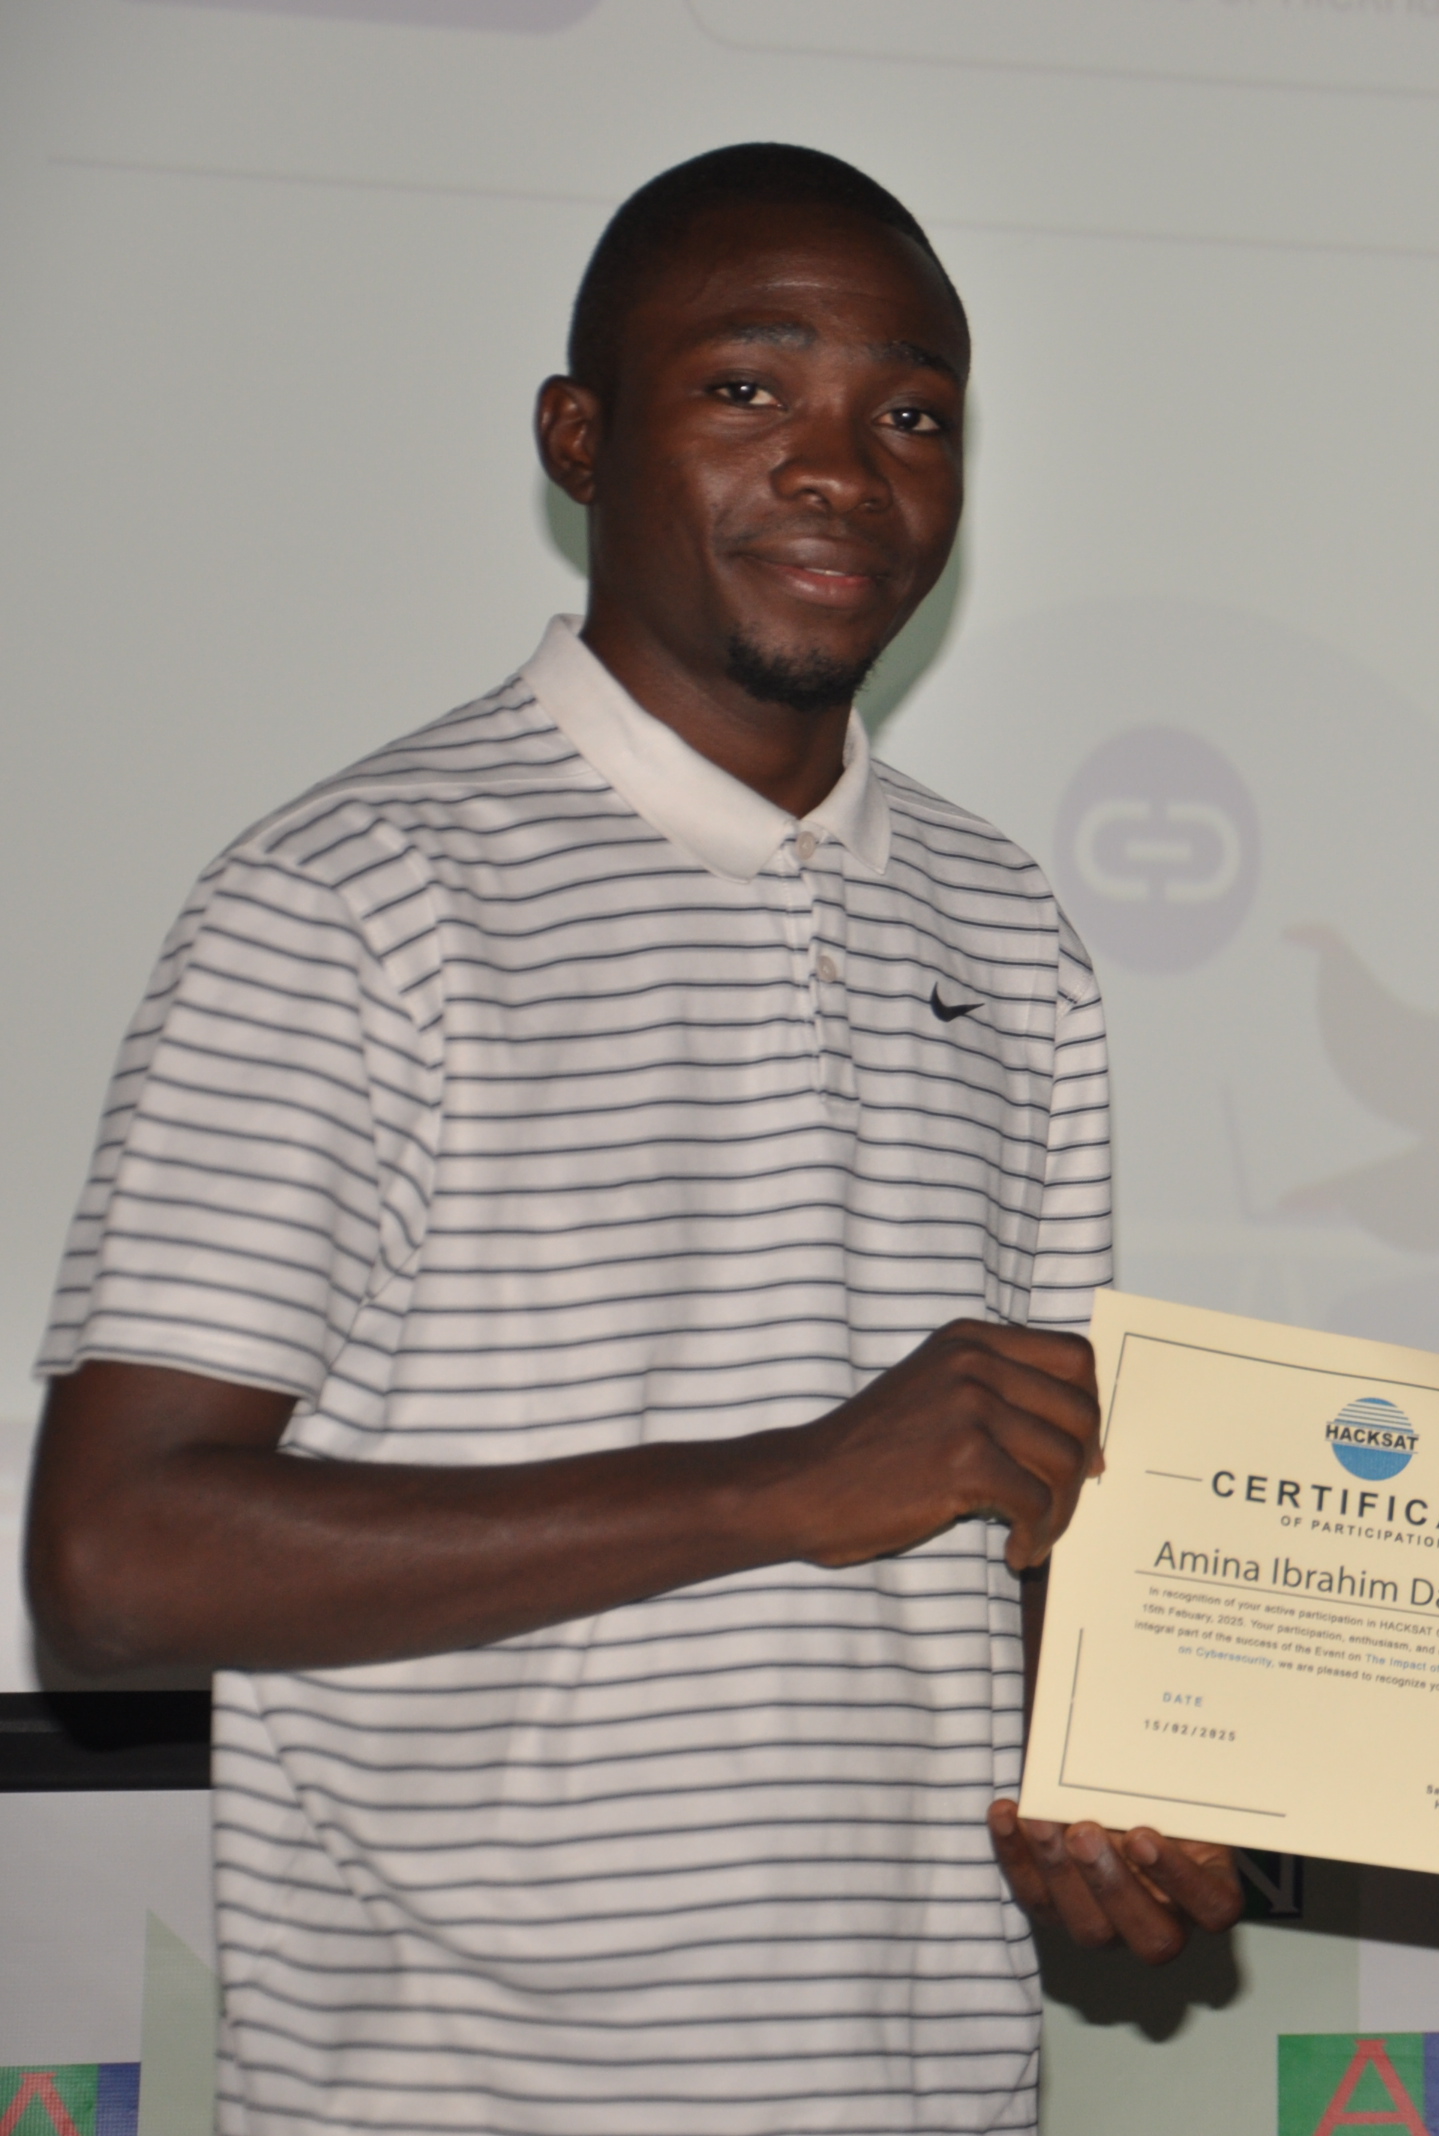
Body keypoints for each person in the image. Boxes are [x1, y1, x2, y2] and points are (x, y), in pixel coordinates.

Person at [21, 144, 1239, 2135]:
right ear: (577, 439)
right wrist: (783, 1485)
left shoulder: (1006, 932)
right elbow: (113, 1565)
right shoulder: (351, 903)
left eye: (913, 415)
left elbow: (1029, 1503)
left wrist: (1110, 1772)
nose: (842, 468)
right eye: (749, 388)